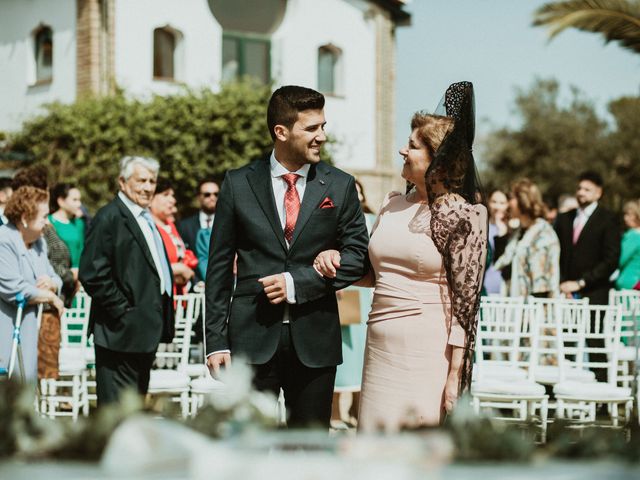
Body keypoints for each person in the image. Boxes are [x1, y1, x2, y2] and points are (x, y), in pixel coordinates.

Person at [315, 81, 487, 431]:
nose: (401, 151)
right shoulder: (391, 204)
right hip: (379, 344)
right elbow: (374, 275)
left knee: (416, 450)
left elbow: (467, 307)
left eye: (411, 146)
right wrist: (334, 260)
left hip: (427, 349)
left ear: (436, 157)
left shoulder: (465, 215)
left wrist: (455, 375)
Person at [204, 85, 369, 428]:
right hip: (250, 338)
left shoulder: (339, 186)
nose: (322, 136)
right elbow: (218, 268)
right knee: (246, 446)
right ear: (281, 132)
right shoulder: (238, 184)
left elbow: (358, 258)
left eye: (323, 126)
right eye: (312, 128)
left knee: (308, 449)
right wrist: (215, 342)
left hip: (316, 340)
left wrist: (298, 283)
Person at [79, 156, 175, 404]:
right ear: (122, 182)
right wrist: (123, 310)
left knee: (133, 414)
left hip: (143, 333)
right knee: (115, 415)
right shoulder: (109, 217)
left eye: (152, 181)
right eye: (141, 180)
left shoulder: (144, 217)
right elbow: (92, 272)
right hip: (119, 334)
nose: (148, 187)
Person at [0, 186, 63, 382]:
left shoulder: (39, 243)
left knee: (27, 387)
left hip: (31, 329)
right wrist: (49, 296)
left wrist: (52, 284)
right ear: (25, 218)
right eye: (44, 217)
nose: (47, 222)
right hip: (6, 326)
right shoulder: (3, 240)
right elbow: (13, 287)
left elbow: (55, 276)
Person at [331, 178, 376, 427]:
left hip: (366, 293)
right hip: (344, 293)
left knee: (362, 352)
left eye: (358, 192)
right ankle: (336, 412)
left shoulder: (373, 221)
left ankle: (360, 410)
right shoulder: (336, 222)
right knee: (343, 353)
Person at [555, 171, 620, 304]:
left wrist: (581, 282)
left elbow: (611, 259)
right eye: (579, 188)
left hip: (594, 294)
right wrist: (563, 283)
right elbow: (556, 252)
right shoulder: (564, 219)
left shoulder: (608, 220)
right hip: (564, 293)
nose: (581, 192)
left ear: (598, 193)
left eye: (587, 189)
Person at [493, 179, 560, 298]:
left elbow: (542, 285)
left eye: (512, 198)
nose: (508, 203)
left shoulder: (543, 235)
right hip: (513, 304)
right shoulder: (518, 233)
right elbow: (503, 269)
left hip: (533, 308)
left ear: (523, 200)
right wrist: (503, 231)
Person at [149, 178, 197, 294]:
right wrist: (178, 269)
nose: (173, 200)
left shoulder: (170, 225)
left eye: (172, 195)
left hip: (178, 296)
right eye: (166, 195)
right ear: (150, 199)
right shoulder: (148, 228)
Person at [49, 183, 85, 270]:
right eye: (74, 200)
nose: (79, 204)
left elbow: (81, 251)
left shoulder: (78, 223)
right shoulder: (48, 222)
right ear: (61, 201)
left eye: (80, 200)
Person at [178, 178, 219, 253]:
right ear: (199, 197)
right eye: (207, 195)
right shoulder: (185, 226)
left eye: (216, 194)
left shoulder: (228, 224)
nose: (212, 198)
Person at [483, 189, 508, 295]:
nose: (497, 206)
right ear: (488, 202)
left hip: (504, 287)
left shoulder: (513, 229)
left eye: (502, 203)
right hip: (485, 285)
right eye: (494, 202)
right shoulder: (482, 226)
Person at [615, 200, 640, 290]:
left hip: (630, 282)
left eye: (630, 215)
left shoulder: (633, 236)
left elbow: (619, 259)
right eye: (625, 215)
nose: (626, 218)